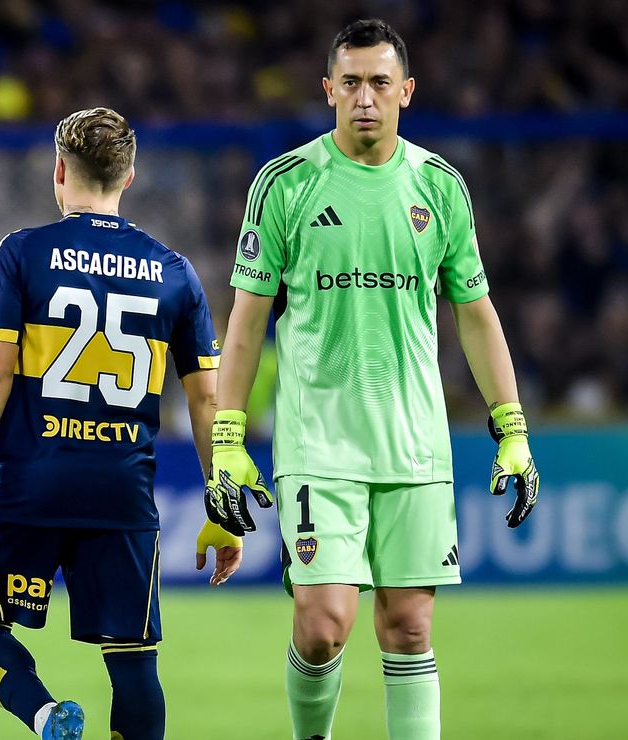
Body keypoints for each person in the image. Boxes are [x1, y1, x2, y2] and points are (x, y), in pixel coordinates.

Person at [203, 19, 541, 740]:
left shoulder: (440, 187)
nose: (365, 97)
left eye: (380, 83)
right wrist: (227, 439)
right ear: (328, 90)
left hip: (414, 446)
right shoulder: (286, 184)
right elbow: (246, 322)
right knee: (324, 625)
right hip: (319, 445)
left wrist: (511, 426)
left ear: (406, 92)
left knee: (410, 626)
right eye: (351, 82)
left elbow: (476, 316)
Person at [0, 107, 240, 740]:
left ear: (58, 170)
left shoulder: (23, 253)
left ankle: (47, 715)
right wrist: (222, 503)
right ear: (130, 175)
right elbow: (207, 401)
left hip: (31, 486)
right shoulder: (175, 272)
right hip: (122, 493)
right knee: (133, 662)